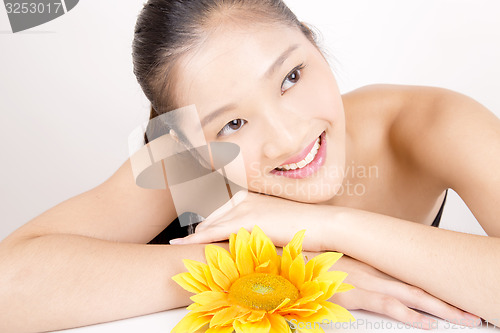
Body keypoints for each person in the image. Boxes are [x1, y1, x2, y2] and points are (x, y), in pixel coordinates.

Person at [1, 0, 499, 332]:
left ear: (312, 41)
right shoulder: (189, 162)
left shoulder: (429, 124)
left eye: (291, 77)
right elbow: (10, 284)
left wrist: (332, 227)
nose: (287, 139)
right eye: (233, 123)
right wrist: (263, 271)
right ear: (187, 143)